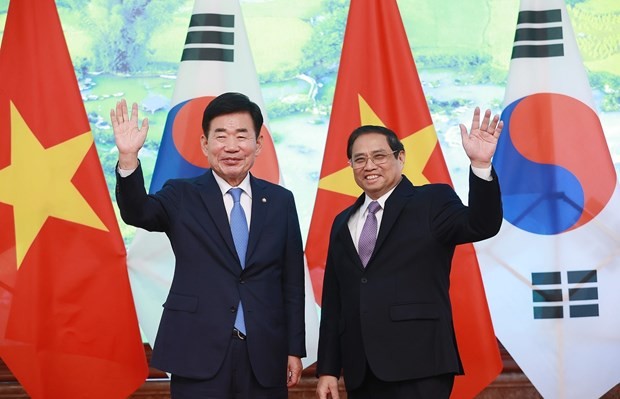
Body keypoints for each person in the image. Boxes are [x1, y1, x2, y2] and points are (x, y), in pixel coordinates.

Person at [110, 92, 306, 399]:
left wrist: (295, 348)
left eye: (242, 136)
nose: (231, 146)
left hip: (264, 352)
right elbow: (138, 211)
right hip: (196, 349)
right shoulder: (182, 195)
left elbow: (292, 282)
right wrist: (128, 158)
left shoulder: (281, 201)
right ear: (205, 144)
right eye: (221, 136)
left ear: (258, 144)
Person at [315, 107, 504, 399]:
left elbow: (482, 224)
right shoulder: (343, 221)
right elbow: (335, 300)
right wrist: (328, 368)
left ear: (400, 158)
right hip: (361, 370)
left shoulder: (432, 201)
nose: (369, 166)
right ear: (350, 165)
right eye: (359, 159)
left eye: (379, 156)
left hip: (420, 365)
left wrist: (480, 165)